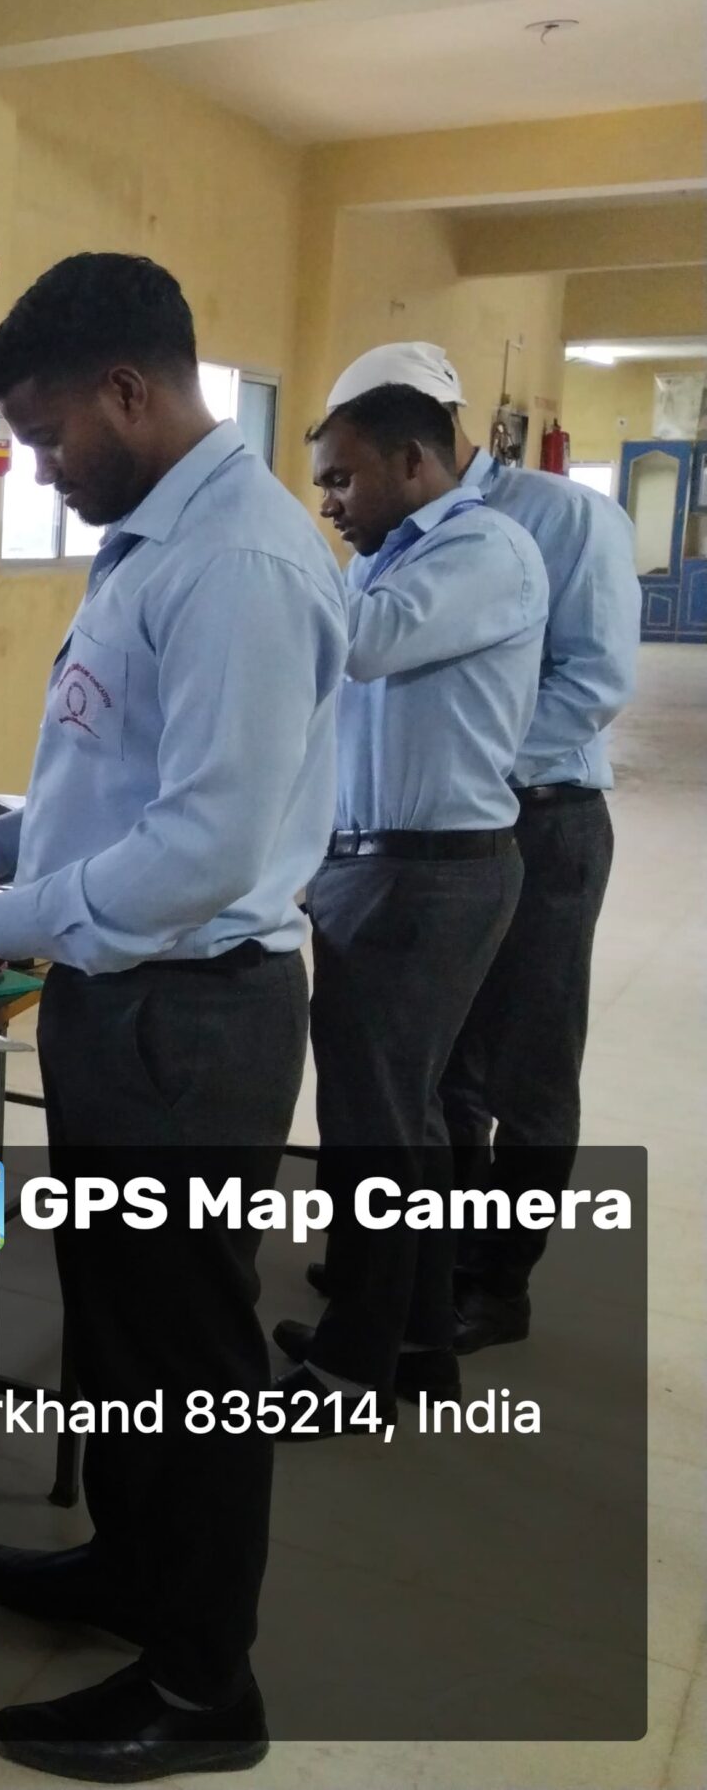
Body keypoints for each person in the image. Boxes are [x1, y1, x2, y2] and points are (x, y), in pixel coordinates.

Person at [0, 253, 348, 1782]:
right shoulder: (158, 542)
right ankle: (139, 1573)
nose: (37, 465)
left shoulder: (240, 566)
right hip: (126, 999)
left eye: (45, 433)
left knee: (187, 1347)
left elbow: (206, 844)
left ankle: (206, 1683)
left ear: (129, 392)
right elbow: (124, 773)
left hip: (189, 1017)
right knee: (123, 1323)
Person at [310, 345, 639, 1355]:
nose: (332, 497)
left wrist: (475, 766)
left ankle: (496, 1281)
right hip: (430, 830)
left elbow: (594, 682)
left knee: (524, 1066)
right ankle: (414, 1280)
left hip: (537, 812)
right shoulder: (391, 535)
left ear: (416, 441)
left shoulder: (544, 522)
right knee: (432, 1082)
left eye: (343, 473)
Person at [274, 380, 547, 1420]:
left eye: (342, 479)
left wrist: (266, 550)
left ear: (415, 462)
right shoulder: (388, 556)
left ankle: (353, 1372)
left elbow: (366, 642)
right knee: (404, 1123)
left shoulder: (483, 550)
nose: (328, 503)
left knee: (377, 1131)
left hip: (428, 875)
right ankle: (417, 1342)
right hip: (384, 866)